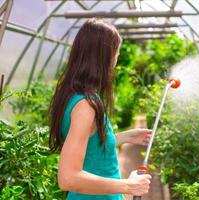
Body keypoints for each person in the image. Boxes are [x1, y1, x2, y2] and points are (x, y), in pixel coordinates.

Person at [49, 18, 152, 200]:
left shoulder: (78, 96)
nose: (115, 62)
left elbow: (87, 145)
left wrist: (123, 137)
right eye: (116, 54)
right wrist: (129, 186)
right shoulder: (84, 105)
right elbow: (68, 178)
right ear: (104, 57)